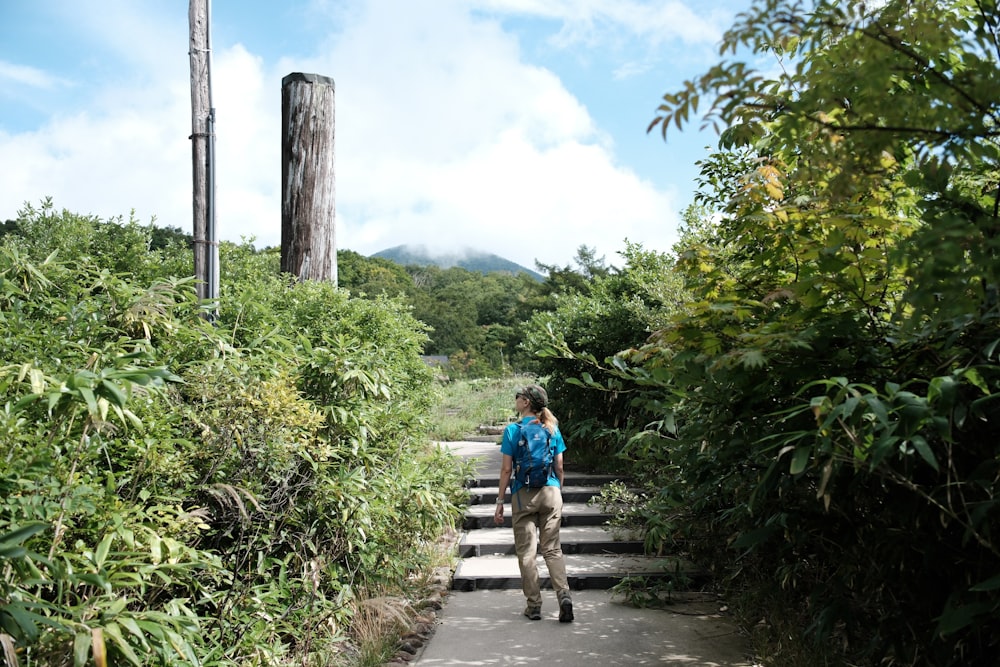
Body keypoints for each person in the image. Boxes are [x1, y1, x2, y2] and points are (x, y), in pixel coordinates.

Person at [493, 384, 574, 622]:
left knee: (527, 554)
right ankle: (564, 596)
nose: (515, 400)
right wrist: (558, 491)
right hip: (551, 493)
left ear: (526, 402)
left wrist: (499, 501)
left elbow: (507, 469)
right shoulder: (552, 428)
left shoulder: (512, 430)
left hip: (523, 495)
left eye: (518, 397)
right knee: (552, 549)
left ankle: (534, 606)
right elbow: (559, 466)